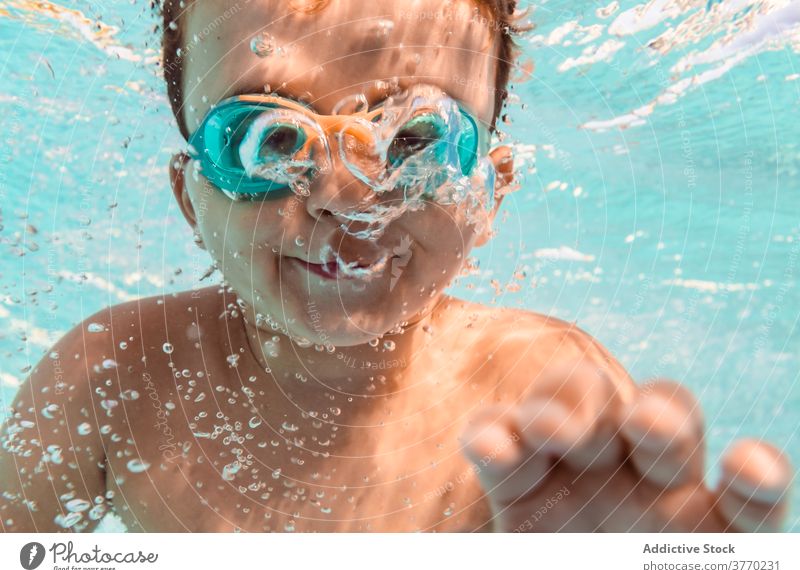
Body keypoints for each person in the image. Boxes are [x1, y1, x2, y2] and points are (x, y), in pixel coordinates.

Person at [0, 0, 791, 533]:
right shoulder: (109, 378)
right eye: (271, 139)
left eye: (415, 140)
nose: (348, 198)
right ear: (190, 195)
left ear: (491, 194)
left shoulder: (546, 394)